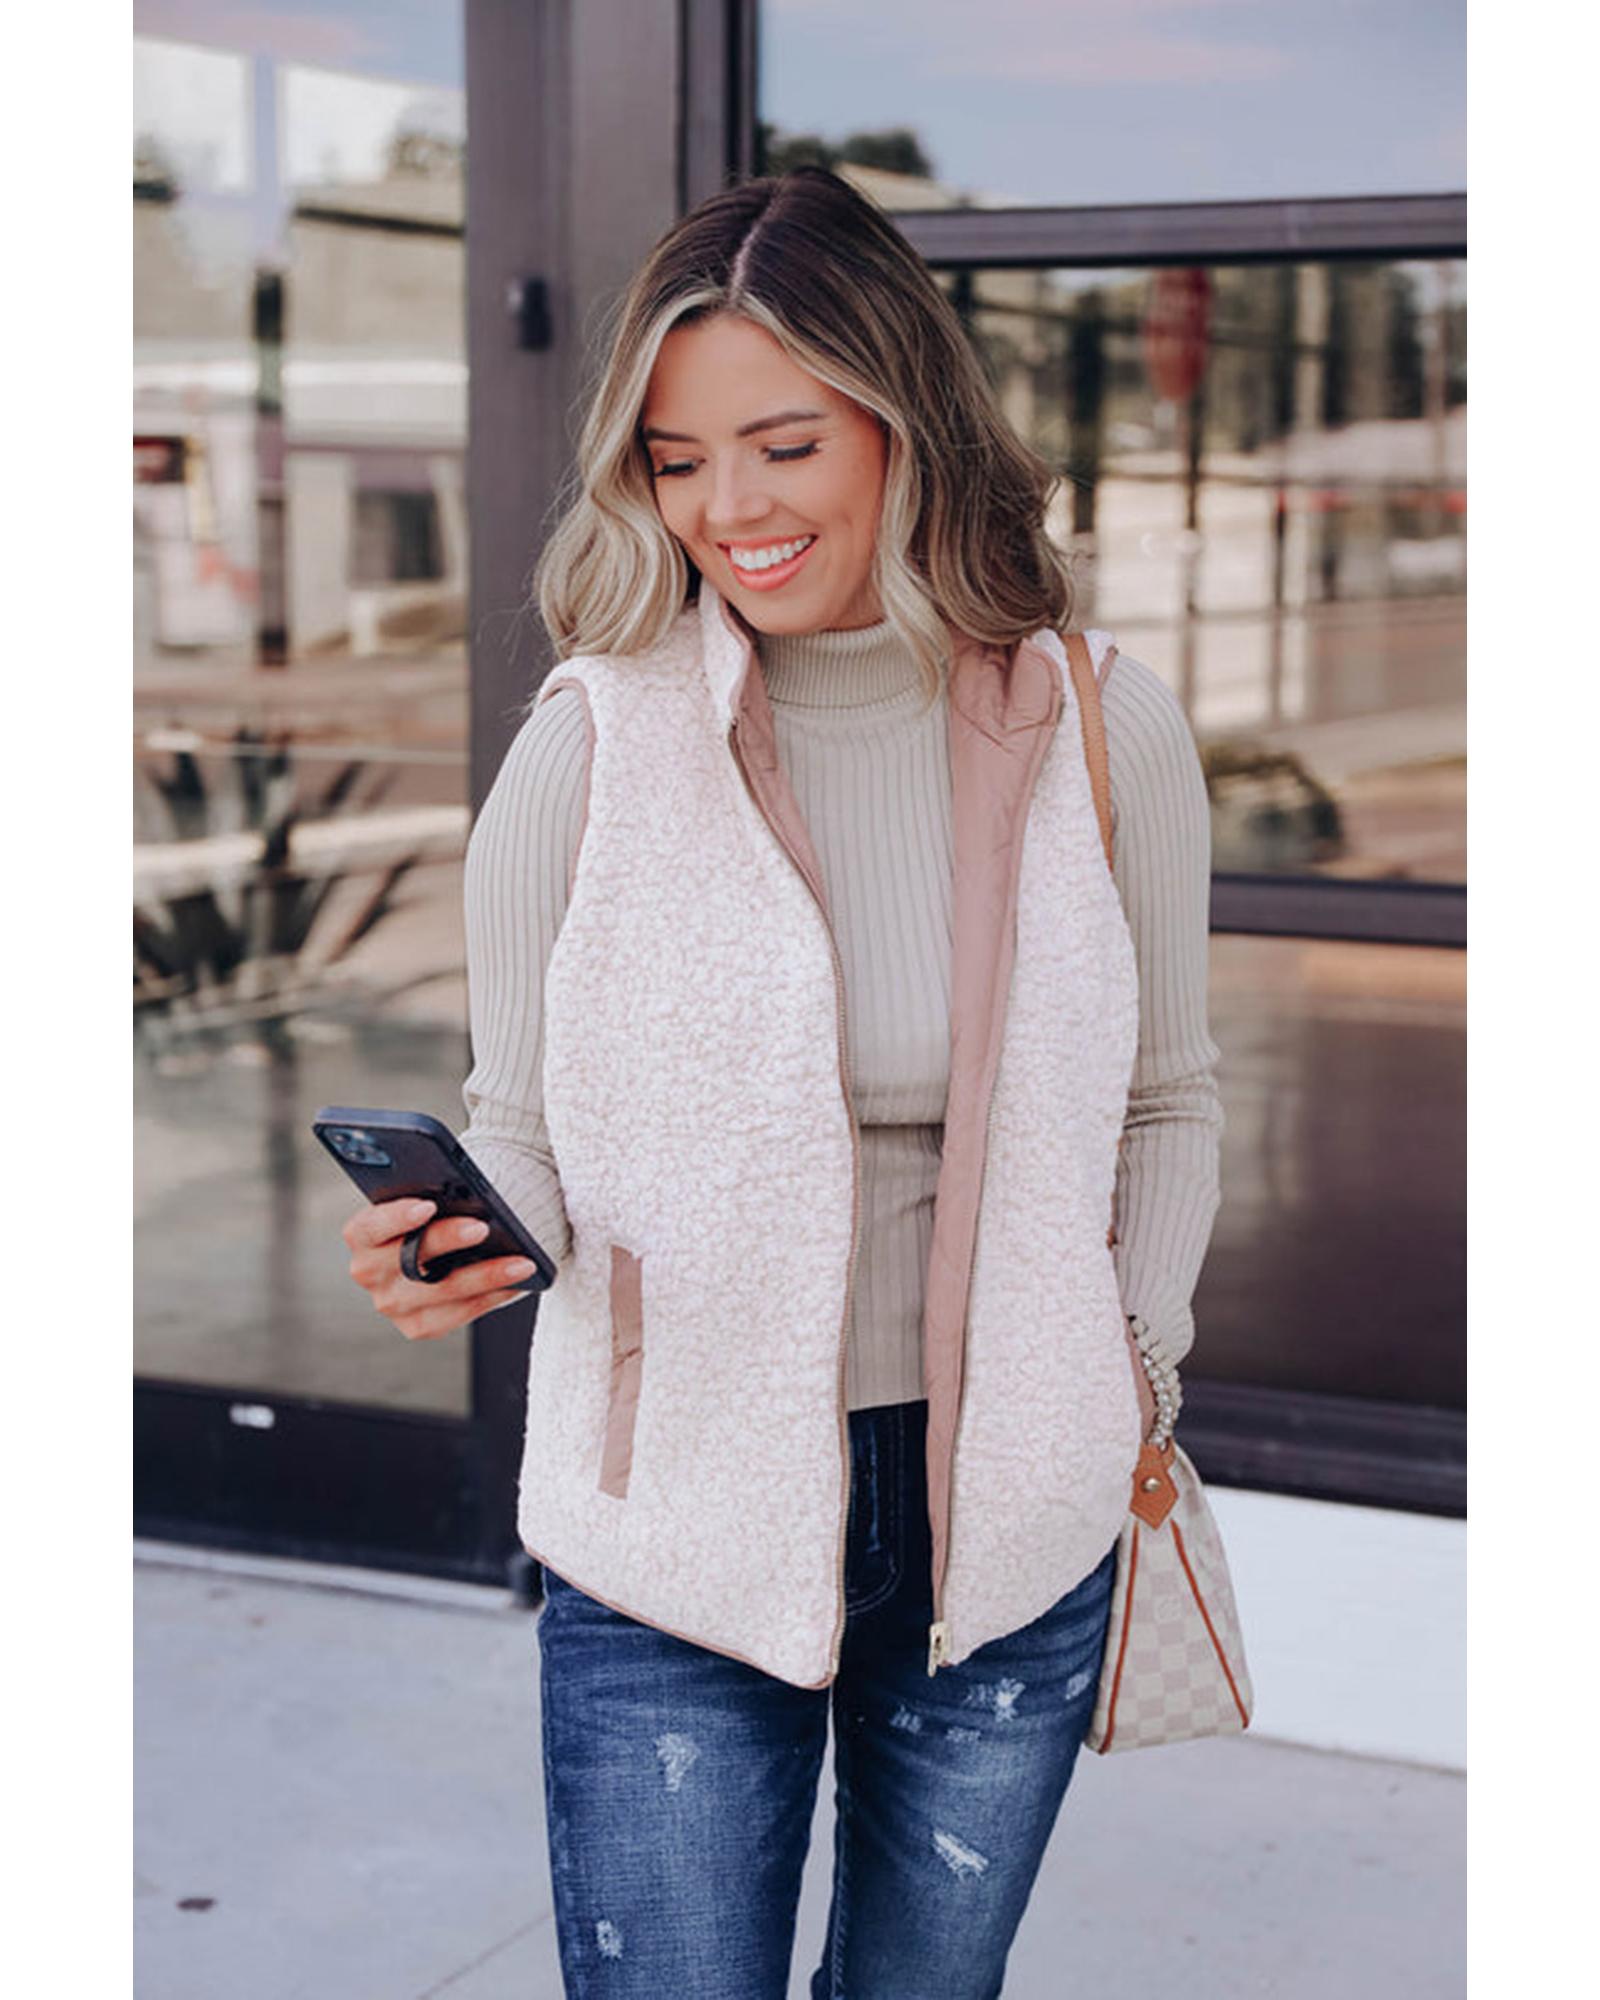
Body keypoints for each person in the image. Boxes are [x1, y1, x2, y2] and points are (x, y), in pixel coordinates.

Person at [341, 165, 1223, 1998]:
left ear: (907, 420)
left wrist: (1126, 1370)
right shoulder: (592, 745)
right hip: (677, 1521)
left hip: (1008, 1516)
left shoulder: (1101, 727)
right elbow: (524, 1121)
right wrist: (469, 1240)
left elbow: (1169, 1104)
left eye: (785, 445)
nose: (728, 507)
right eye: (676, 460)